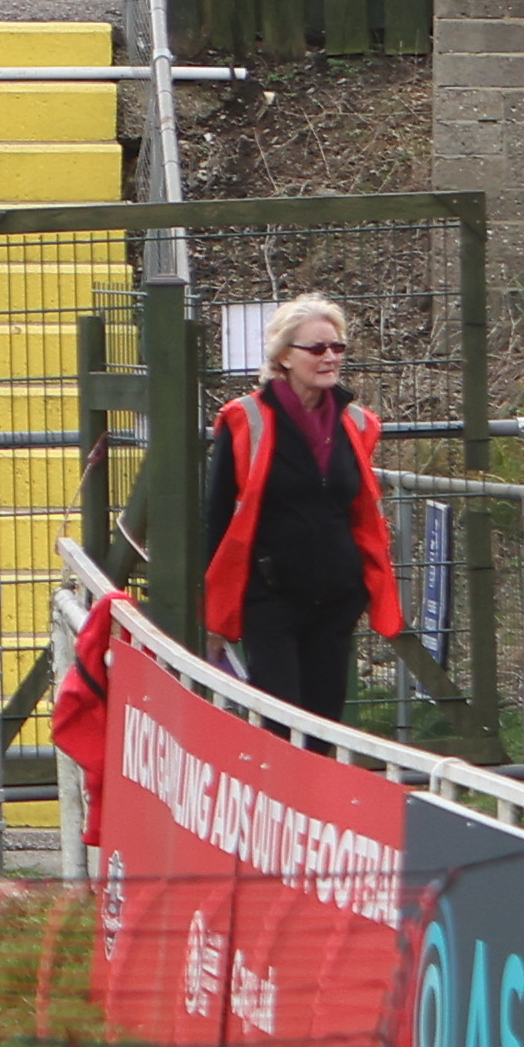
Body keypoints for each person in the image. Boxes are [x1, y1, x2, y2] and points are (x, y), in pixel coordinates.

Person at [197, 292, 409, 727]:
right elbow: (218, 518)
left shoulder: (358, 423)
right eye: (317, 348)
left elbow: (359, 510)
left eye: (338, 347)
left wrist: (362, 586)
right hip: (271, 599)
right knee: (280, 725)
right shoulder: (245, 419)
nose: (330, 357)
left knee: (324, 725)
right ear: (284, 357)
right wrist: (212, 612)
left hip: (336, 600)